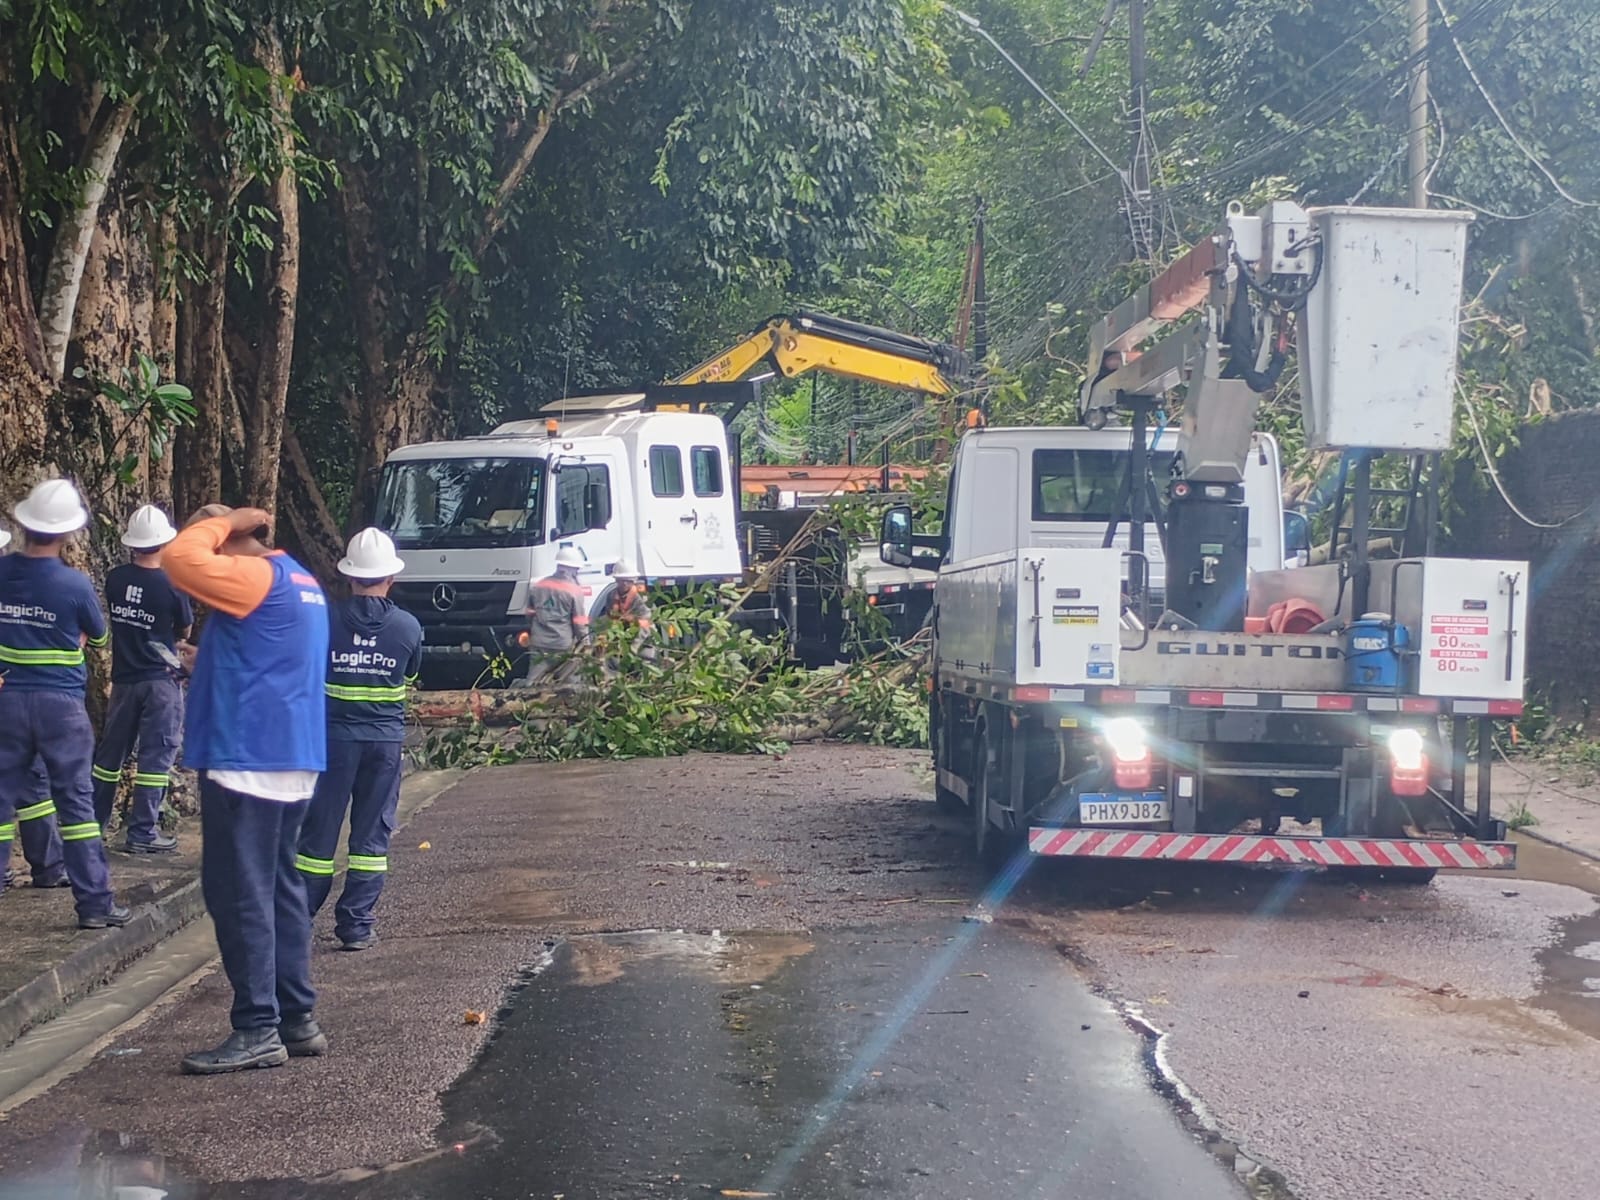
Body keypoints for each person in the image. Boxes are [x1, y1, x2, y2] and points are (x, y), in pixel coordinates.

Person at [164, 504, 329, 1075]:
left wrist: (224, 518)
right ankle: (296, 1017)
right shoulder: (299, 580)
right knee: (279, 888)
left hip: (247, 758)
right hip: (290, 754)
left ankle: (257, 1025)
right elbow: (269, 660)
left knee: (239, 893)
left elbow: (178, 558)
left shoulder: (252, 575)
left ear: (229, 542)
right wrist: (206, 660)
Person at [0, 480, 127, 927]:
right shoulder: (74, 585)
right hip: (61, 706)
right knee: (75, 804)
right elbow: (101, 636)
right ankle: (94, 904)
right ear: (68, 532)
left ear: (24, 523)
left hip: (7, 698)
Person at [296, 528, 421, 951]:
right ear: (391, 577)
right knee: (371, 838)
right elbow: (412, 675)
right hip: (384, 747)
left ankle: (297, 921)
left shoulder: (324, 621)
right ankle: (356, 926)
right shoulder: (407, 628)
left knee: (317, 836)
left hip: (333, 743)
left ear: (350, 576)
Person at [92, 506, 193, 852]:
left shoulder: (115, 579)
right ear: (165, 542)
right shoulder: (174, 585)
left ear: (132, 544)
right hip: (161, 681)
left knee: (109, 757)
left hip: (124, 680)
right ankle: (143, 833)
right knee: (156, 758)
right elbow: (184, 628)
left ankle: (93, 826)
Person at [521, 545, 589, 686]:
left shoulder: (539, 585)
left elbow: (529, 614)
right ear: (573, 569)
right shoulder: (574, 591)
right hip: (562, 644)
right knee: (569, 683)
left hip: (539, 643)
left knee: (532, 681)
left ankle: (525, 703)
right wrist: (586, 642)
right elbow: (579, 622)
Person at [602, 560, 657, 671]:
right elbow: (609, 619)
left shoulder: (640, 598)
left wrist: (634, 647)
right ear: (616, 580)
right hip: (621, 638)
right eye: (622, 581)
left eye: (628, 581)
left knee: (646, 664)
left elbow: (645, 624)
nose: (625, 584)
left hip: (643, 639)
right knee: (612, 663)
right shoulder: (611, 596)